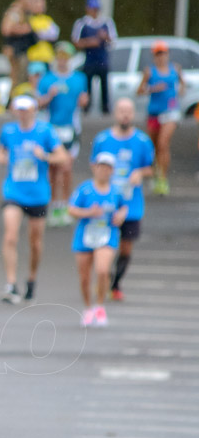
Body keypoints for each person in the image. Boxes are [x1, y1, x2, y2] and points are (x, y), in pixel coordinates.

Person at [0, 95, 67, 304]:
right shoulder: (8, 131)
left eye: (27, 109)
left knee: (35, 243)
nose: (23, 113)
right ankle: (11, 283)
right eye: (20, 109)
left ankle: (31, 278)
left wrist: (44, 155)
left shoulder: (45, 131)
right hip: (13, 192)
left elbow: (62, 157)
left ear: (34, 110)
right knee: (10, 236)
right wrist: (3, 158)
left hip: (38, 194)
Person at [91, 98, 154, 302]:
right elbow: (94, 166)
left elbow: (151, 167)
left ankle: (115, 282)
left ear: (133, 114)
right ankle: (103, 277)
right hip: (107, 205)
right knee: (104, 245)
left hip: (131, 205)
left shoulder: (143, 141)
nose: (125, 115)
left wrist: (139, 173)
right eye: (121, 111)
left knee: (126, 247)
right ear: (115, 113)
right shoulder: (102, 140)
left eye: (128, 111)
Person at [67, 152, 127, 328]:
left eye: (107, 167)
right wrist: (88, 213)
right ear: (94, 167)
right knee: (84, 277)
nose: (103, 171)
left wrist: (121, 216)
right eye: (101, 166)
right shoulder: (85, 189)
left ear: (112, 170)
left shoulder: (116, 191)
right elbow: (71, 209)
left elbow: (124, 207)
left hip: (107, 235)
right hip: (85, 236)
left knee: (102, 270)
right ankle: (87, 307)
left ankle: (100, 305)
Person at [38, 42, 88, 227]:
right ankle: (54, 206)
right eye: (59, 56)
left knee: (66, 168)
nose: (62, 60)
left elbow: (84, 100)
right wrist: (49, 96)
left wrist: (84, 101)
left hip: (71, 128)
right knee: (52, 170)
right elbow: (39, 104)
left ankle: (66, 206)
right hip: (51, 129)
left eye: (65, 56)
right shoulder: (47, 79)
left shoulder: (79, 78)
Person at [137, 41, 184, 196]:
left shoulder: (175, 69)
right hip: (154, 113)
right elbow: (139, 91)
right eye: (158, 53)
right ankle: (157, 174)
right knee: (155, 146)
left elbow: (182, 85)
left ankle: (163, 178)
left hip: (170, 111)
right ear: (154, 56)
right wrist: (152, 89)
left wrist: (179, 93)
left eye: (163, 53)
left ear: (167, 54)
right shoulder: (149, 71)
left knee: (164, 143)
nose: (161, 57)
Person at [71, 0, 117, 115]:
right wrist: (89, 42)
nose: (95, 12)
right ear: (87, 9)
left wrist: (105, 37)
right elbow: (76, 42)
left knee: (104, 86)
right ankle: (86, 108)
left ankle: (105, 109)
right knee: (87, 85)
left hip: (102, 59)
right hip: (89, 60)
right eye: (93, 9)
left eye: (97, 9)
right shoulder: (82, 23)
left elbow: (112, 42)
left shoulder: (107, 22)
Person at [0, 0, 36, 102]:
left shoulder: (23, 13)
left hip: (20, 50)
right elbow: (6, 29)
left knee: (19, 76)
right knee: (16, 77)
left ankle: (15, 100)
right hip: (15, 50)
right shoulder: (15, 12)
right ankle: (12, 101)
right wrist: (25, 29)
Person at [26, 0, 59, 66]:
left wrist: (39, 33)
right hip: (33, 56)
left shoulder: (47, 19)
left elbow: (54, 35)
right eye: (37, 5)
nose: (40, 8)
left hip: (47, 56)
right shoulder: (28, 19)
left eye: (42, 6)